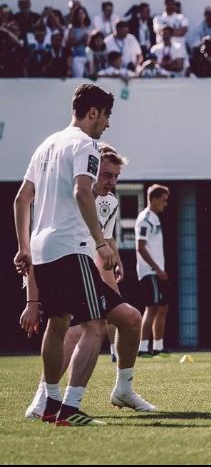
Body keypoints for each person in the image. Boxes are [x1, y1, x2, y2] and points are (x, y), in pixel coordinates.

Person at [15, 84, 145, 426]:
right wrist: (101, 243)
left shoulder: (46, 145)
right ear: (93, 112)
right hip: (72, 247)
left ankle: (49, 405)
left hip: (43, 250)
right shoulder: (85, 144)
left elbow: (21, 199)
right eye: (106, 116)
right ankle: (70, 410)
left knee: (58, 324)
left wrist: (24, 247)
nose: (107, 124)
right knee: (94, 326)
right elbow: (82, 191)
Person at [24, 144, 157, 419]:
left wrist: (113, 289)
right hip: (63, 267)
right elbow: (39, 246)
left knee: (130, 319)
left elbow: (102, 245)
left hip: (87, 270)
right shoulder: (66, 200)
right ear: (90, 170)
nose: (112, 182)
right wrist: (32, 300)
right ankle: (46, 401)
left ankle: (123, 391)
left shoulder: (109, 202)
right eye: (107, 175)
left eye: (116, 176)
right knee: (75, 330)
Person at [136, 184, 171, 358]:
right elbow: (140, 247)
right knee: (152, 307)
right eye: (163, 200)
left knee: (163, 307)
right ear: (154, 199)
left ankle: (158, 347)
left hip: (158, 270)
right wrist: (156, 268)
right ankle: (143, 348)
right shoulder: (145, 219)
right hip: (150, 271)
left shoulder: (155, 218)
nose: (165, 204)